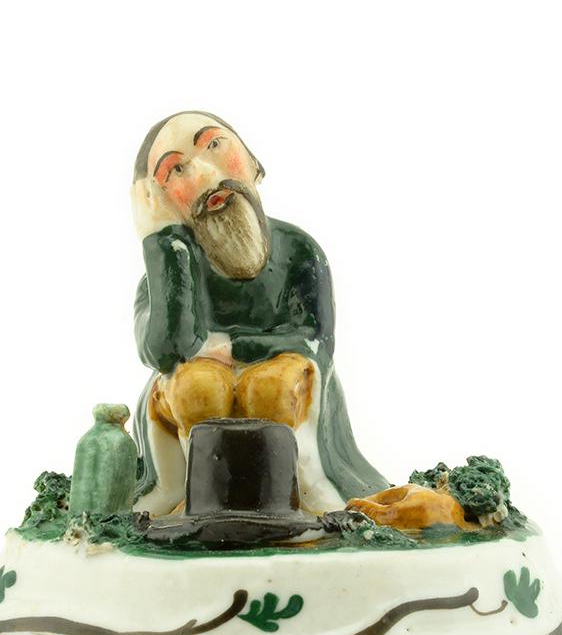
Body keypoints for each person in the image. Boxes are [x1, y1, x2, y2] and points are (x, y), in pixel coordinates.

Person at [130, 111, 387, 515]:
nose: (204, 173)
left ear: (252, 161)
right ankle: (191, 497)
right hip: (199, 383)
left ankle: (300, 492)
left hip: (287, 377)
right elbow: (166, 350)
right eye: (176, 170)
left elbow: (315, 341)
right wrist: (162, 242)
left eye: (214, 145)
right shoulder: (169, 268)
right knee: (195, 387)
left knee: (274, 387)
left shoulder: (299, 250)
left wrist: (234, 348)